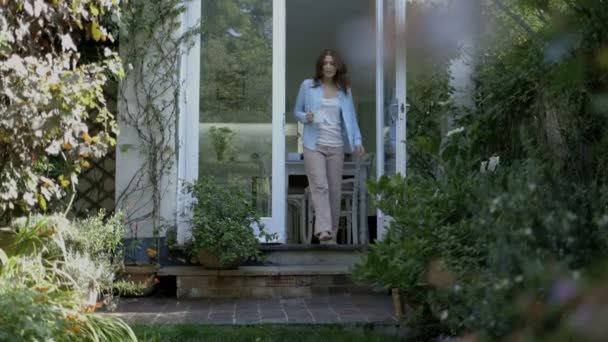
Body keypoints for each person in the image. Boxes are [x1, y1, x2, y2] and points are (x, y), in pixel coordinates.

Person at [293, 49, 365, 243]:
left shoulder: (344, 90)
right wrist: (305, 117)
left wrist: (357, 141)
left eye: (332, 63)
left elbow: (351, 118)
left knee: (334, 190)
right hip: (313, 144)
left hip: (336, 146)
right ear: (320, 66)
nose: (328, 66)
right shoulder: (308, 86)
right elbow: (296, 111)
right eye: (325, 63)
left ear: (337, 67)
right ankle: (323, 229)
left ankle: (330, 234)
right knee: (320, 186)